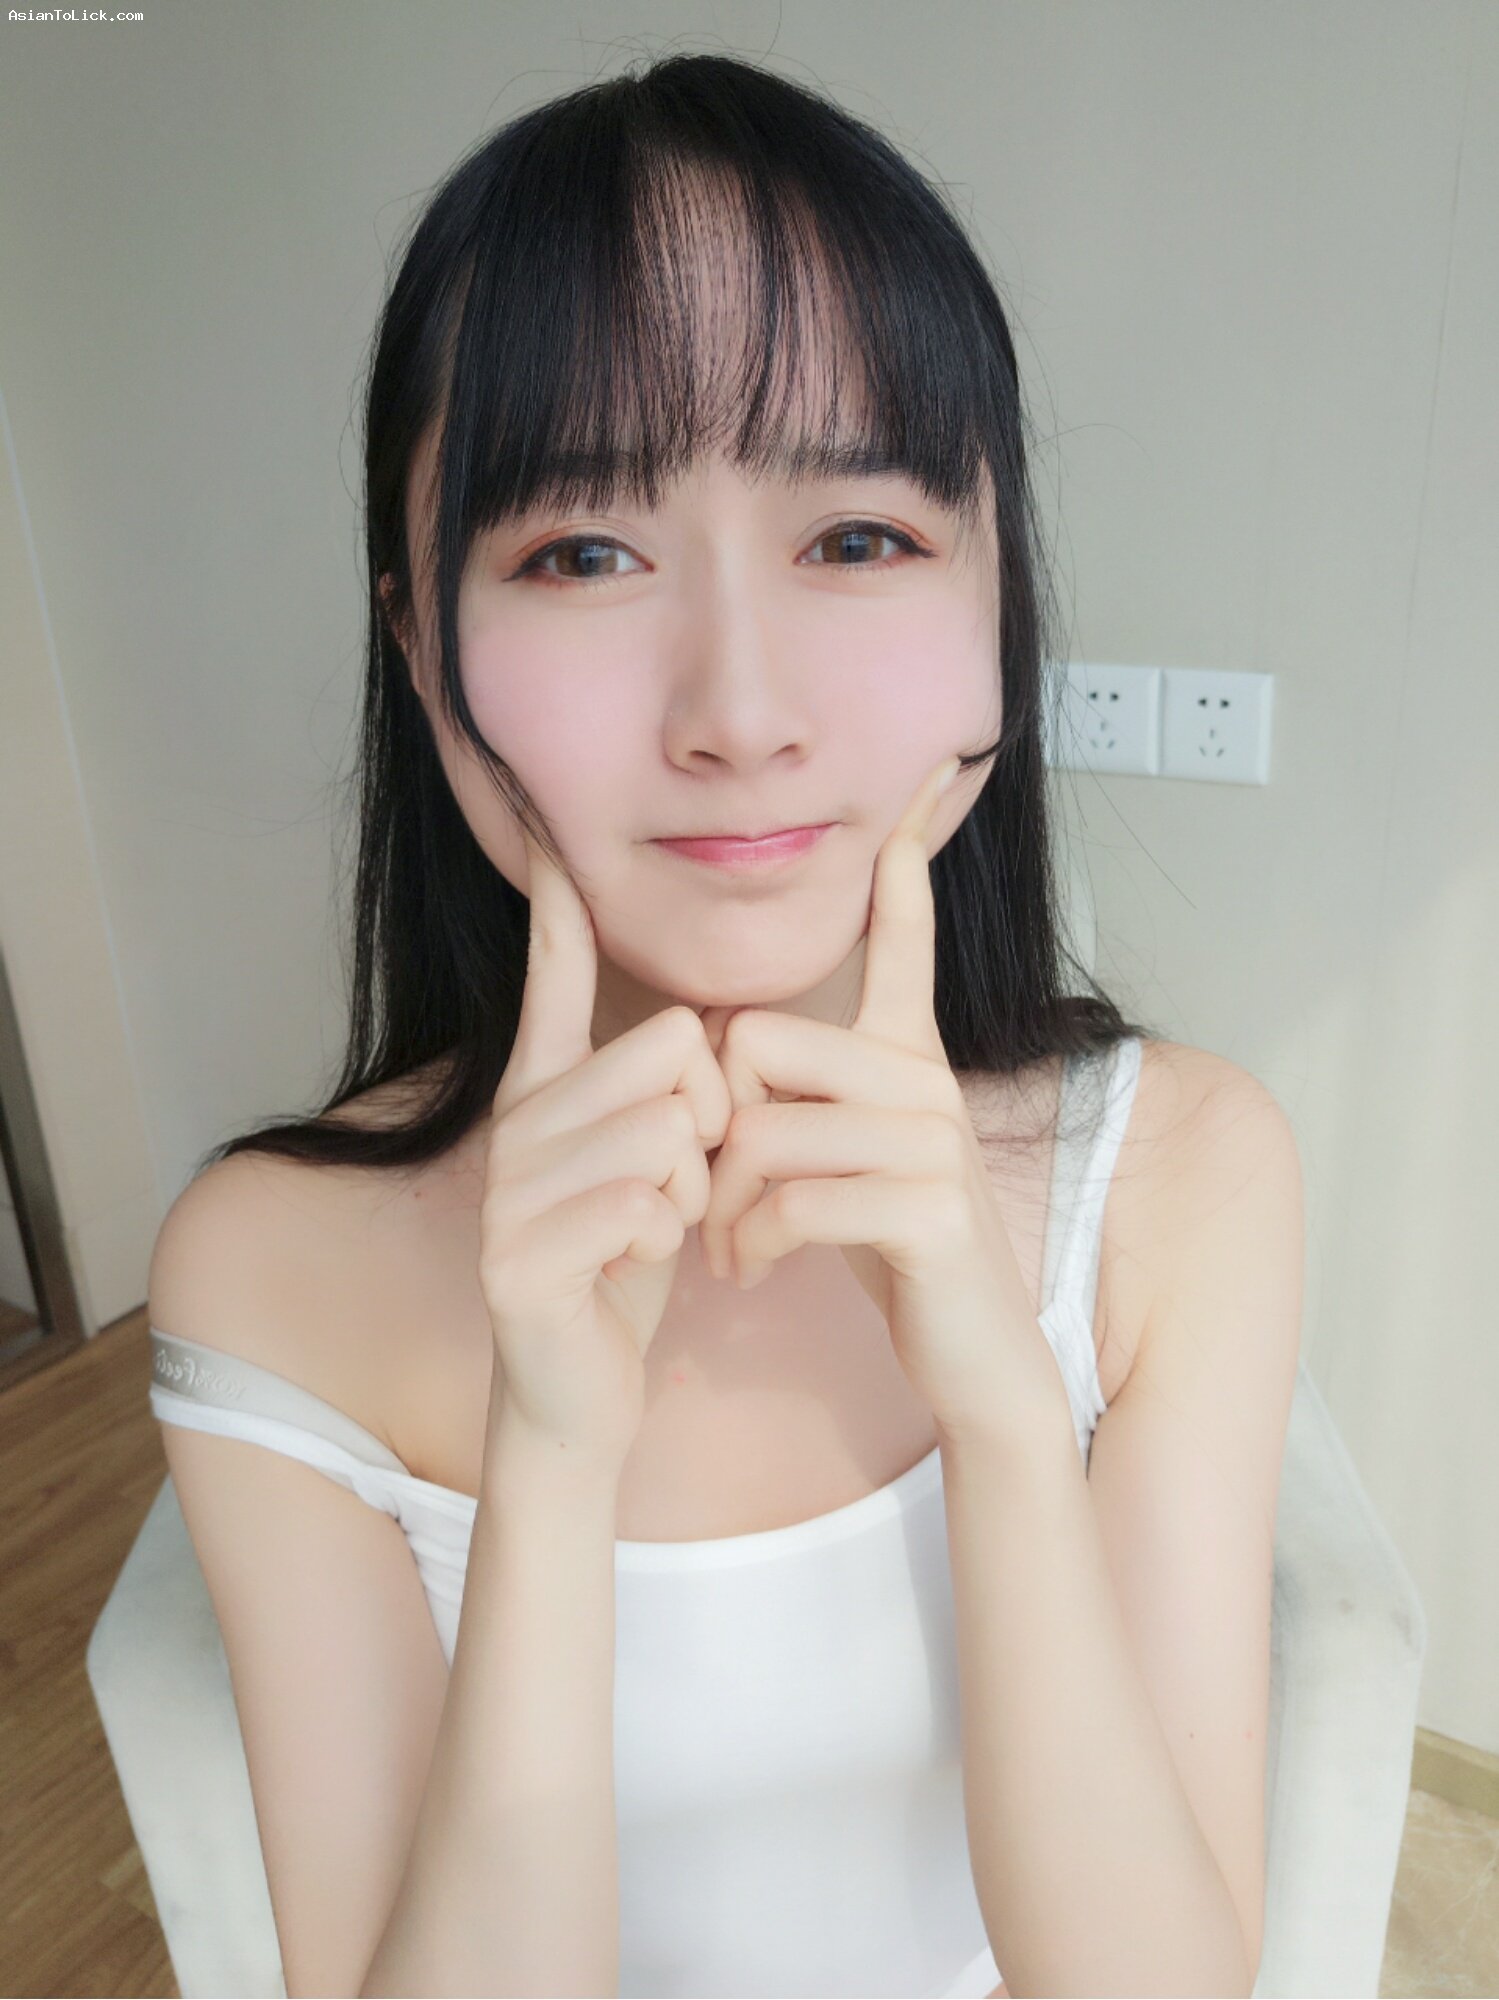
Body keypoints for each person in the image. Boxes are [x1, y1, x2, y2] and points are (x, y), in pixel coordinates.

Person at [146, 51, 1301, 2000]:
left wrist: (1001, 1409)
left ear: (995, 593)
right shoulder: (270, 1268)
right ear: (417, 638)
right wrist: (550, 1450)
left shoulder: (1179, 1174)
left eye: (856, 538)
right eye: (581, 553)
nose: (741, 711)